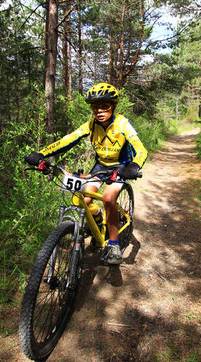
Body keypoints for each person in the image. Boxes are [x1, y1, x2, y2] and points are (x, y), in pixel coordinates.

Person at [25, 82, 148, 265]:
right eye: (95, 106)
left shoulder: (122, 123)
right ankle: (97, 220)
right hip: (100, 166)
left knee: (107, 198)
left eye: (105, 106)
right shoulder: (90, 125)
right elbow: (68, 140)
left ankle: (113, 244)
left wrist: (134, 166)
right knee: (80, 199)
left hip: (121, 167)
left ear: (113, 106)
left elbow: (141, 149)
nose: (99, 110)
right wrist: (42, 154)